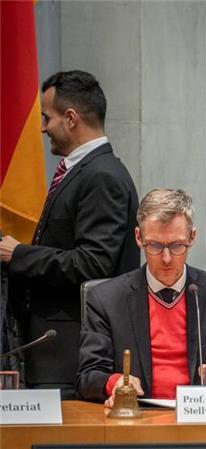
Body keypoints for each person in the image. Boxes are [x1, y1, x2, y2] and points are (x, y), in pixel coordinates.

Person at [0, 70, 139, 398]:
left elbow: (94, 264)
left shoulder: (102, 176)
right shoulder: (84, 171)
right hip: (53, 352)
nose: (42, 127)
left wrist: (19, 255)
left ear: (71, 118)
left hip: (70, 356)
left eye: (47, 117)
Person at [76, 189, 206, 407]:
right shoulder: (106, 299)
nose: (166, 258)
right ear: (139, 238)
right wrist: (116, 383)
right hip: (137, 415)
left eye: (177, 245)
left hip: (199, 416)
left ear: (192, 237)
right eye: (155, 246)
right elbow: (88, 376)